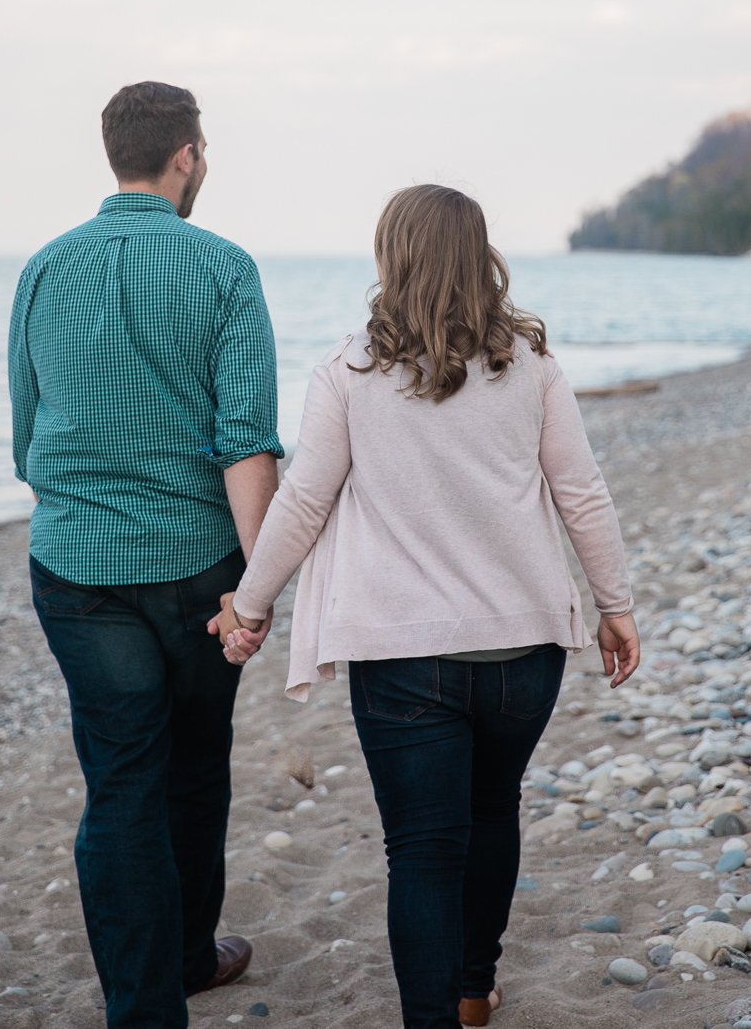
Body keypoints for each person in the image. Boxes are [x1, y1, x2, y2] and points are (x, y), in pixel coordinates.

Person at [212, 183, 639, 1029]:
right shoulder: (532, 366)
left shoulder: (348, 371)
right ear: (480, 258)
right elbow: (581, 494)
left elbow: (302, 502)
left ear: (390, 259)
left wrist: (250, 608)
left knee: (422, 852)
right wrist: (614, 605)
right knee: (493, 812)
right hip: (525, 653)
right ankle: (475, 989)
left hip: (402, 658)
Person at [8, 81, 283, 1029]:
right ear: (188, 156)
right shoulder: (225, 269)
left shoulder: (44, 269)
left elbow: (22, 436)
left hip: (78, 571)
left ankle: (146, 1003)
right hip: (200, 566)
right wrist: (261, 582)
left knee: (121, 777)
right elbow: (246, 438)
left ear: (115, 153)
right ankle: (186, 957)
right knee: (198, 765)